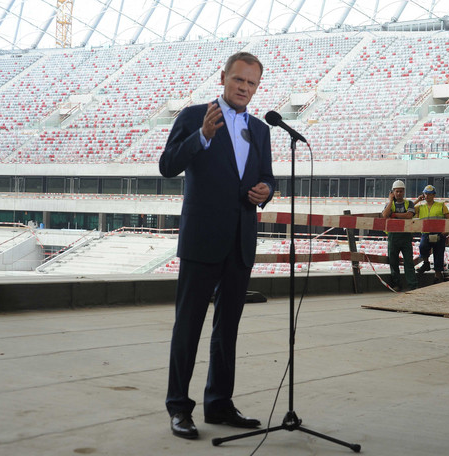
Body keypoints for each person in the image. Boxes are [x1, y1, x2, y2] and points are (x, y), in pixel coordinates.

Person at [159, 52, 275, 439]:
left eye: (252, 83)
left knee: (228, 329)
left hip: (240, 240)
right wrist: (203, 137)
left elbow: (268, 179)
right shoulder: (195, 116)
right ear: (223, 77)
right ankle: (179, 408)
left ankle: (219, 404)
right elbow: (167, 165)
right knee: (188, 326)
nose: (244, 88)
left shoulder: (260, 130)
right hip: (202, 239)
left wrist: (266, 191)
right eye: (239, 80)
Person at [381, 180, 418, 292]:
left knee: (409, 262)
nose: (399, 194)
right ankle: (396, 284)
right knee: (393, 262)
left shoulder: (409, 203)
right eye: (396, 191)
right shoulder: (389, 204)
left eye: (401, 191)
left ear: (404, 191)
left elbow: (409, 215)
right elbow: (384, 215)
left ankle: (412, 285)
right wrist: (390, 201)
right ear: (393, 192)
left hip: (405, 236)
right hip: (393, 237)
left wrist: (394, 215)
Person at [415, 185, 449, 283]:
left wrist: (446, 231)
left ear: (434, 195)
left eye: (429, 194)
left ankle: (438, 276)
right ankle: (426, 263)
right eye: (425, 194)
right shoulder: (420, 207)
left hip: (439, 234)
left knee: (439, 254)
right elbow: (409, 210)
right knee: (423, 247)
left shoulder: (441, 206)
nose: (427, 196)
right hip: (426, 234)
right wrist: (418, 200)